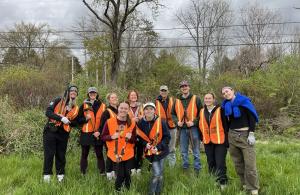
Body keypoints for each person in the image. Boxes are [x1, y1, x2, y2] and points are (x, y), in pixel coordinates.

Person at [221, 86, 259, 195]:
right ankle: (244, 184)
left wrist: (251, 133)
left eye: (227, 91)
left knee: (250, 164)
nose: (225, 94)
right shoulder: (226, 106)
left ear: (232, 91)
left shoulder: (244, 102)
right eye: (223, 93)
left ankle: (253, 188)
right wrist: (227, 137)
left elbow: (252, 117)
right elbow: (227, 123)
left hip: (245, 135)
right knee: (238, 163)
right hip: (232, 135)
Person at [43, 85, 79, 182]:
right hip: (51, 130)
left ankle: (60, 176)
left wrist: (69, 121)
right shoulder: (58, 100)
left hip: (63, 133)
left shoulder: (75, 108)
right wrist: (61, 118)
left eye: (75, 91)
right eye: (72, 90)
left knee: (61, 155)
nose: (74, 92)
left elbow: (76, 123)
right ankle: (47, 177)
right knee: (49, 154)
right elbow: (48, 112)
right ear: (67, 92)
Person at [101, 102, 136, 191]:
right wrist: (111, 136)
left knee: (128, 174)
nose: (123, 110)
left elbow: (135, 139)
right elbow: (103, 137)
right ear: (118, 108)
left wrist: (131, 137)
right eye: (121, 108)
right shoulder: (109, 121)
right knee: (120, 175)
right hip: (115, 154)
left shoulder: (132, 123)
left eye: (125, 108)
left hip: (128, 153)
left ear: (128, 110)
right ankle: (117, 191)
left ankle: (128, 191)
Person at [137, 102, 170, 195]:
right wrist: (145, 144)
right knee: (157, 173)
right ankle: (151, 192)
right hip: (150, 153)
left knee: (160, 174)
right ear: (143, 111)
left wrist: (158, 147)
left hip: (162, 151)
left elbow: (167, 137)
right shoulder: (141, 123)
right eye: (146, 109)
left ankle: (158, 192)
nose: (149, 111)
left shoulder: (161, 122)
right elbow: (139, 138)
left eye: (151, 109)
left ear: (154, 110)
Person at [171, 80, 202, 175]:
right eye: (182, 86)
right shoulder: (176, 100)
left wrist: (194, 122)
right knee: (183, 151)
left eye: (186, 86)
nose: (184, 87)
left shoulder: (196, 98)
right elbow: (172, 114)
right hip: (182, 129)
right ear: (180, 89)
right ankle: (186, 168)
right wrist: (177, 122)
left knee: (196, 150)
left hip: (193, 129)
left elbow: (202, 113)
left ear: (189, 87)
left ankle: (197, 169)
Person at [198, 93, 228, 189]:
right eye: (206, 98)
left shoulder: (220, 110)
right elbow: (200, 126)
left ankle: (223, 182)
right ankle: (214, 181)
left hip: (220, 141)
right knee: (211, 162)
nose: (207, 100)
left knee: (220, 163)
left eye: (209, 98)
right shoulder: (202, 111)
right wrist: (201, 138)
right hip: (207, 142)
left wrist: (227, 141)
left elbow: (226, 125)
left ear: (213, 99)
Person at [77, 87, 106, 175]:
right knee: (84, 154)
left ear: (97, 94)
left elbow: (106, 121)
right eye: (91, 93)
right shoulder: (84, 105)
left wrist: (100, 131)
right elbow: (78, 120)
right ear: (88, 94)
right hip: (86, 133)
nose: (92, 94)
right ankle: (83, 173)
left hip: (97, 133)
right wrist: (85, 119)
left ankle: (102, 172)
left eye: (94, 93)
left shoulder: (103, 105)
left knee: (99, 154)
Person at [155, 85, 177, 167]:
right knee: (162, 147)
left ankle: (172, 167)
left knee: (172, 148)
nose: (163, 92)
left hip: (172, 127)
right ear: (160, 92)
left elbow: (177, 112)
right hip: (161, 129)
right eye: (162, 90)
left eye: (165, 91)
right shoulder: (155, 102)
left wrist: (177, 122)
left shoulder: (173, 101)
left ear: (168, 91)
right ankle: (162, 166)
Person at [99, 92, 119, 180]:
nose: (114, 99)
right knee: (110, 156)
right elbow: (102, 127)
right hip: (109, 138)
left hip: (119, 138)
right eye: (112, 98)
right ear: (109, 100)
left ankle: (114, 174)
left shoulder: (119, 110)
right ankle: (109, 175)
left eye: (115, 97)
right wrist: (109, 137)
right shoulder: (106, 112)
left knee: (116, 156)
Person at [127, 90, 144, 175]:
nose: (133, 96)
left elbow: (147, 117)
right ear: (129, 97)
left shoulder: (142, 106)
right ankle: (132, 168)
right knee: (131, 151)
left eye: (135, 95)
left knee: (140, 151)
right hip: (131, 133)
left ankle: (139, 168)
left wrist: (142, 117)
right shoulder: (126, 107)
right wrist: (131, 120)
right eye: (131, 95)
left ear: (137, 97)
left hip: (141, 132)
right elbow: (122, 118)